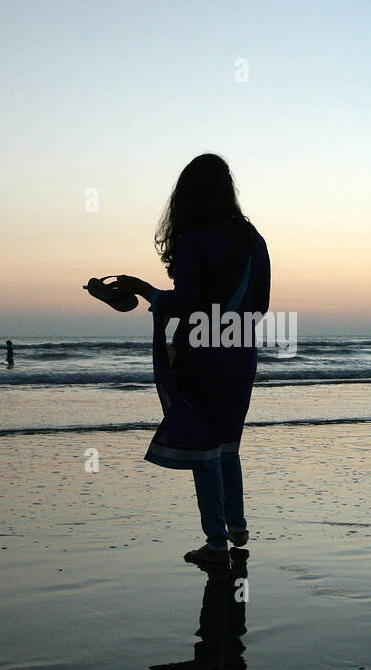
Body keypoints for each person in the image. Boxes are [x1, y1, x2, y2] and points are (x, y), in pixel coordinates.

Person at [114, 154, 271, 567]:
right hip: (240, 353)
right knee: (228, 445)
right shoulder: (254, 240)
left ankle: (216, 544)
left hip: (202, 355)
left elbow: (184, 304)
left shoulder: (194, 240)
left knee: (204, 447)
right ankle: (237, 528)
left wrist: (145, 290)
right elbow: (261, 305)